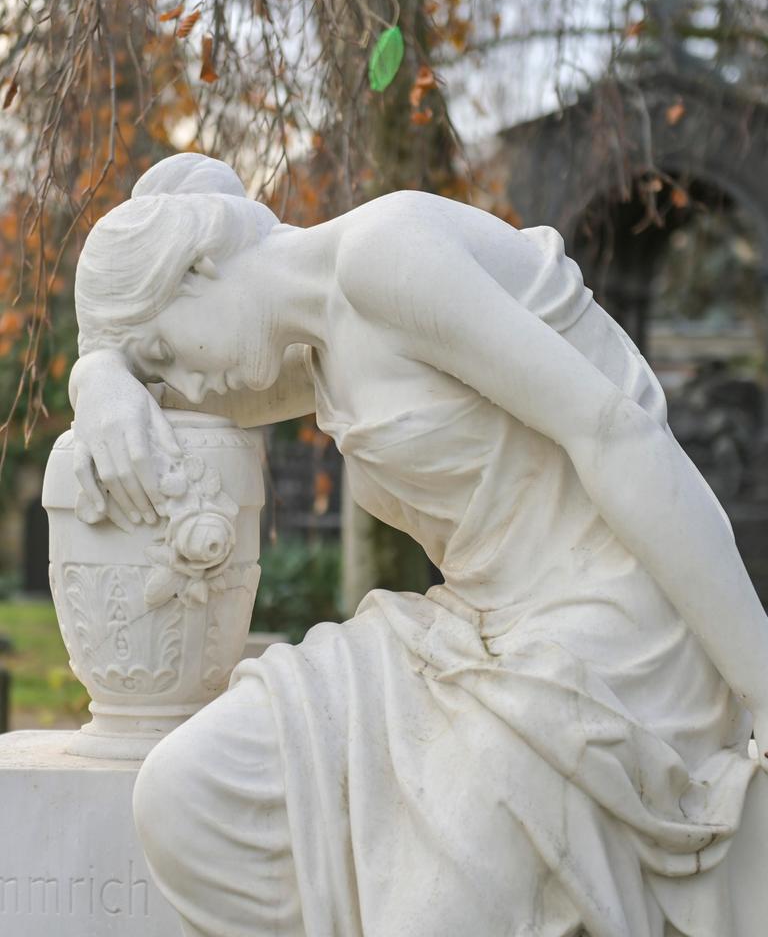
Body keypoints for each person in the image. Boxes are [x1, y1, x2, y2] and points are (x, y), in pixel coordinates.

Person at [69, 153, 767, 937]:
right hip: (480, 634)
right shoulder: (318, 347)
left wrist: (761, 675)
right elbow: (185, 397)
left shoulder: (385, 256)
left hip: (611, 636)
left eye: (164, 352)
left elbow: (612, 432)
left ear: (199, 268)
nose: (184, 389)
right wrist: (100, 374)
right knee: (186, 795)